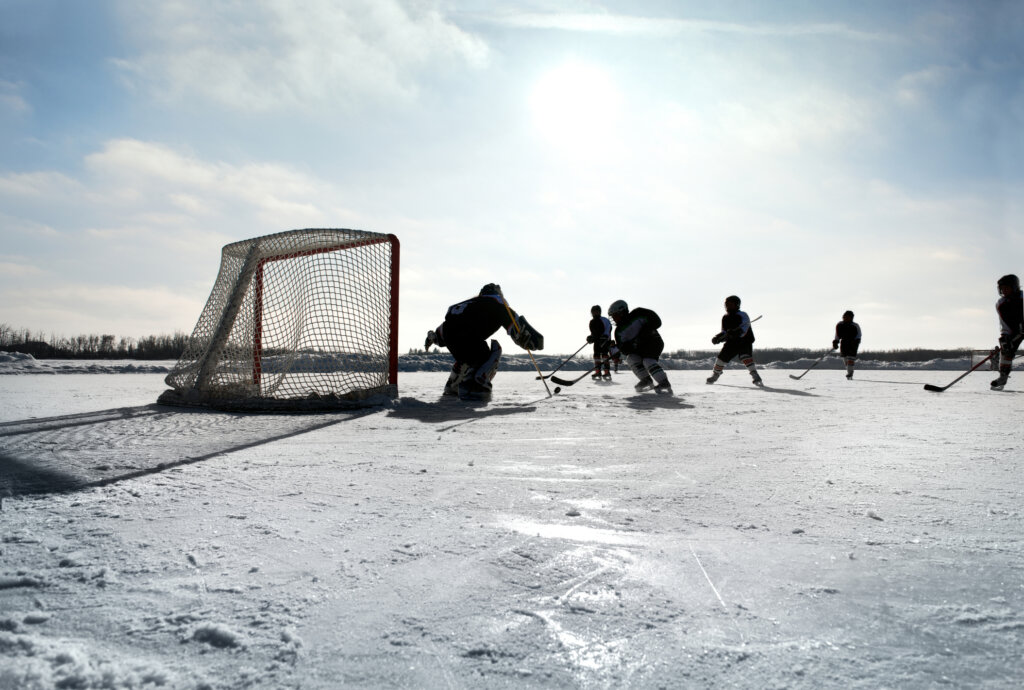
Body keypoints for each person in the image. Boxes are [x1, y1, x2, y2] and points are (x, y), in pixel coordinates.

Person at [424, 284, 543, 400]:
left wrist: (431, 338)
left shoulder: (468, 304)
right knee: (491, 353)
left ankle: (453, 386)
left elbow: (442, 332)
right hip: (469, 334)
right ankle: (476, 386)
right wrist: (534, 341)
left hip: (449, 334)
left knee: (467, 357)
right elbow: (518, 328)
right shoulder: (498, 304)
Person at [607, 300, 672, 394]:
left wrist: (644, 333)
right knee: (631, 358)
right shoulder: (618, 331)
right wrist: (627, 346)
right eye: (612, 316)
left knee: (648, 361)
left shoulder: (639, 313)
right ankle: (646, 380)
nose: (614, 318)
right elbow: (624, 350)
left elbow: (657, 322)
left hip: (653, 342)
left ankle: (664, 382)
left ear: (622, 312)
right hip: (639, 349)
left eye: (615, 315)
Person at [707, 295, 762, 386]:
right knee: (721, 358)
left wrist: (735, 333)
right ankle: (715, 374)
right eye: (726, 304)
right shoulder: (725, 317)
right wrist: (718, 337)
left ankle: (755, 375)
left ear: (737, 305)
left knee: (745, 357)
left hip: (744, 341)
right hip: (732, 342)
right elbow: (724, 331)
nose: (727, 306)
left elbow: (744, 329)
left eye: (730, 304)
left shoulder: (742, 315)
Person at [992, 274, 1023, 390]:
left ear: (1015, 287)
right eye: (1002, 288)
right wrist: (1005, 338)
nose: (1004, 291)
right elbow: (1003, 323)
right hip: (1014, 331)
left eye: (1007, 288)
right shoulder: (1001, 304)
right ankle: (1003, 377)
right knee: (1006, 350)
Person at [832, 310, 862, 380]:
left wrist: (856, 342)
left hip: (853, 343)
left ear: (851, 318)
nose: (846, 318)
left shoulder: (855, 325)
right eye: (845, 317)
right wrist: (835, 342)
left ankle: (850, 373)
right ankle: (849, 371)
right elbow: (837, 335)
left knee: (850, 358)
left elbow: (859, 335)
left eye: (848, 317)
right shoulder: (839, 324)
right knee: (845, 359)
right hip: (844, 343)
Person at [587, 305, 613, 380]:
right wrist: (591, 337)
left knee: (605, 355)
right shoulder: (592, 322)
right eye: (593, 312)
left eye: (596, 311)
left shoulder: (604, 320)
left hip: (605, 340)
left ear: (599, 312)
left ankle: (606, 371)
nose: (594, 313)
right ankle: (598, 371)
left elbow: (609, 328)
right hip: (597, 341)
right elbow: (593, 333)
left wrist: (605, 336)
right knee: (596, 356)